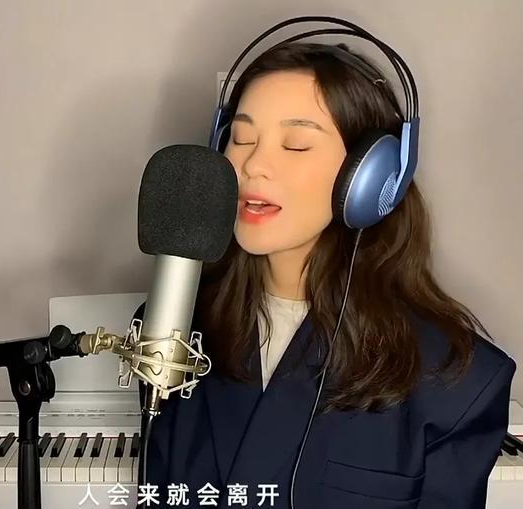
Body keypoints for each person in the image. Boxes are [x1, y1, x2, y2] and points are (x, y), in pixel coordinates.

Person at [133, 38, 516, 509]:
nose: (252, 165)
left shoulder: (458, 377)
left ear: (370, 177)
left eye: (295, 144)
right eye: (242, 138)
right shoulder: (171, 332)